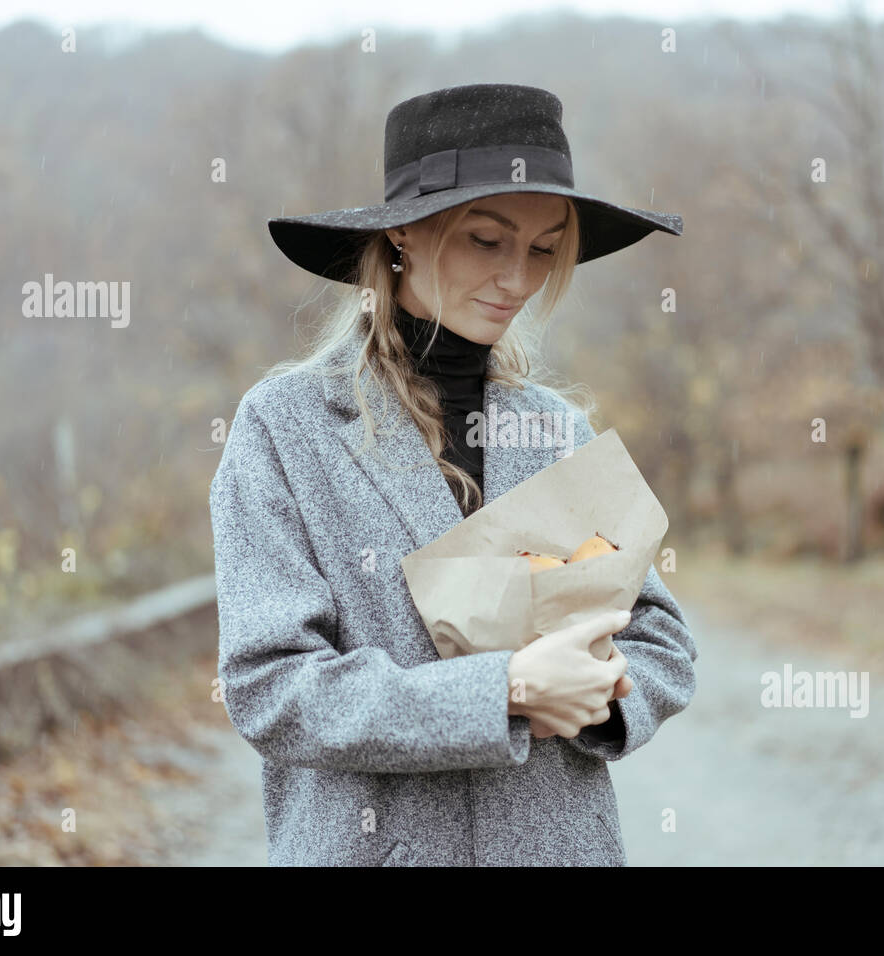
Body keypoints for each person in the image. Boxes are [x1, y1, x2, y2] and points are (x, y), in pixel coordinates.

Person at [209, 83, 697, 866]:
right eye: (485, 239)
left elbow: (662, 642)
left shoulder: (558, 429)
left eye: (543, 249)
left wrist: (597, 697)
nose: (517, 278)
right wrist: (502, 691)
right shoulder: (285, 426)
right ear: (402, 232)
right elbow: (272, 690)